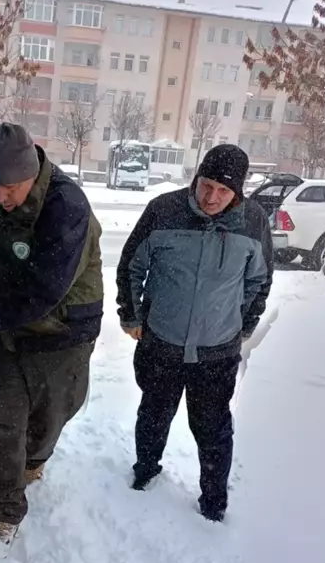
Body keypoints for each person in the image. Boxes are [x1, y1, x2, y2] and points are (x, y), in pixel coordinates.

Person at [0, 123, 103, 558]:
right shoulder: (0, 194)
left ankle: (36, 459)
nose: (2, 198)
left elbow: (44, 293)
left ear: (33, 172)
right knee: (5, 420)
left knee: (52, 416)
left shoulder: (67, 209)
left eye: (11, 189)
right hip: (11, 324)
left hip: (65, 329)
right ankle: (7, 512)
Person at [116, 145, 273, 522]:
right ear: (196, 178)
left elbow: (260, 281)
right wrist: (131, 316)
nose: (211, 197)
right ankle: (146, 469)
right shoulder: (163, 210)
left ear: (238, 193)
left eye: (223, 191)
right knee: (154, 412)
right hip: (162, 340)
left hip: (217, 350)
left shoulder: (253, 221)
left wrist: (241, 326)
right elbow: (131, 265)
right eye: (206, 186)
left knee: (213, 428)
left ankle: (214, 502)